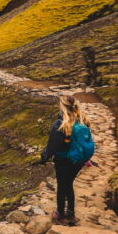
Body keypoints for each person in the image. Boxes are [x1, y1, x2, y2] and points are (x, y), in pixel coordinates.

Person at [40, 95, 93, 224]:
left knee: (62, 186)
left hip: (63, 160)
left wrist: (43, 158)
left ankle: (60, 214)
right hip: (78, 161)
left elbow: (52, 147)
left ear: (62, 106)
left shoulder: (60, 124)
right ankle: (71, 213)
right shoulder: (83, 120)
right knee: (69, 184)